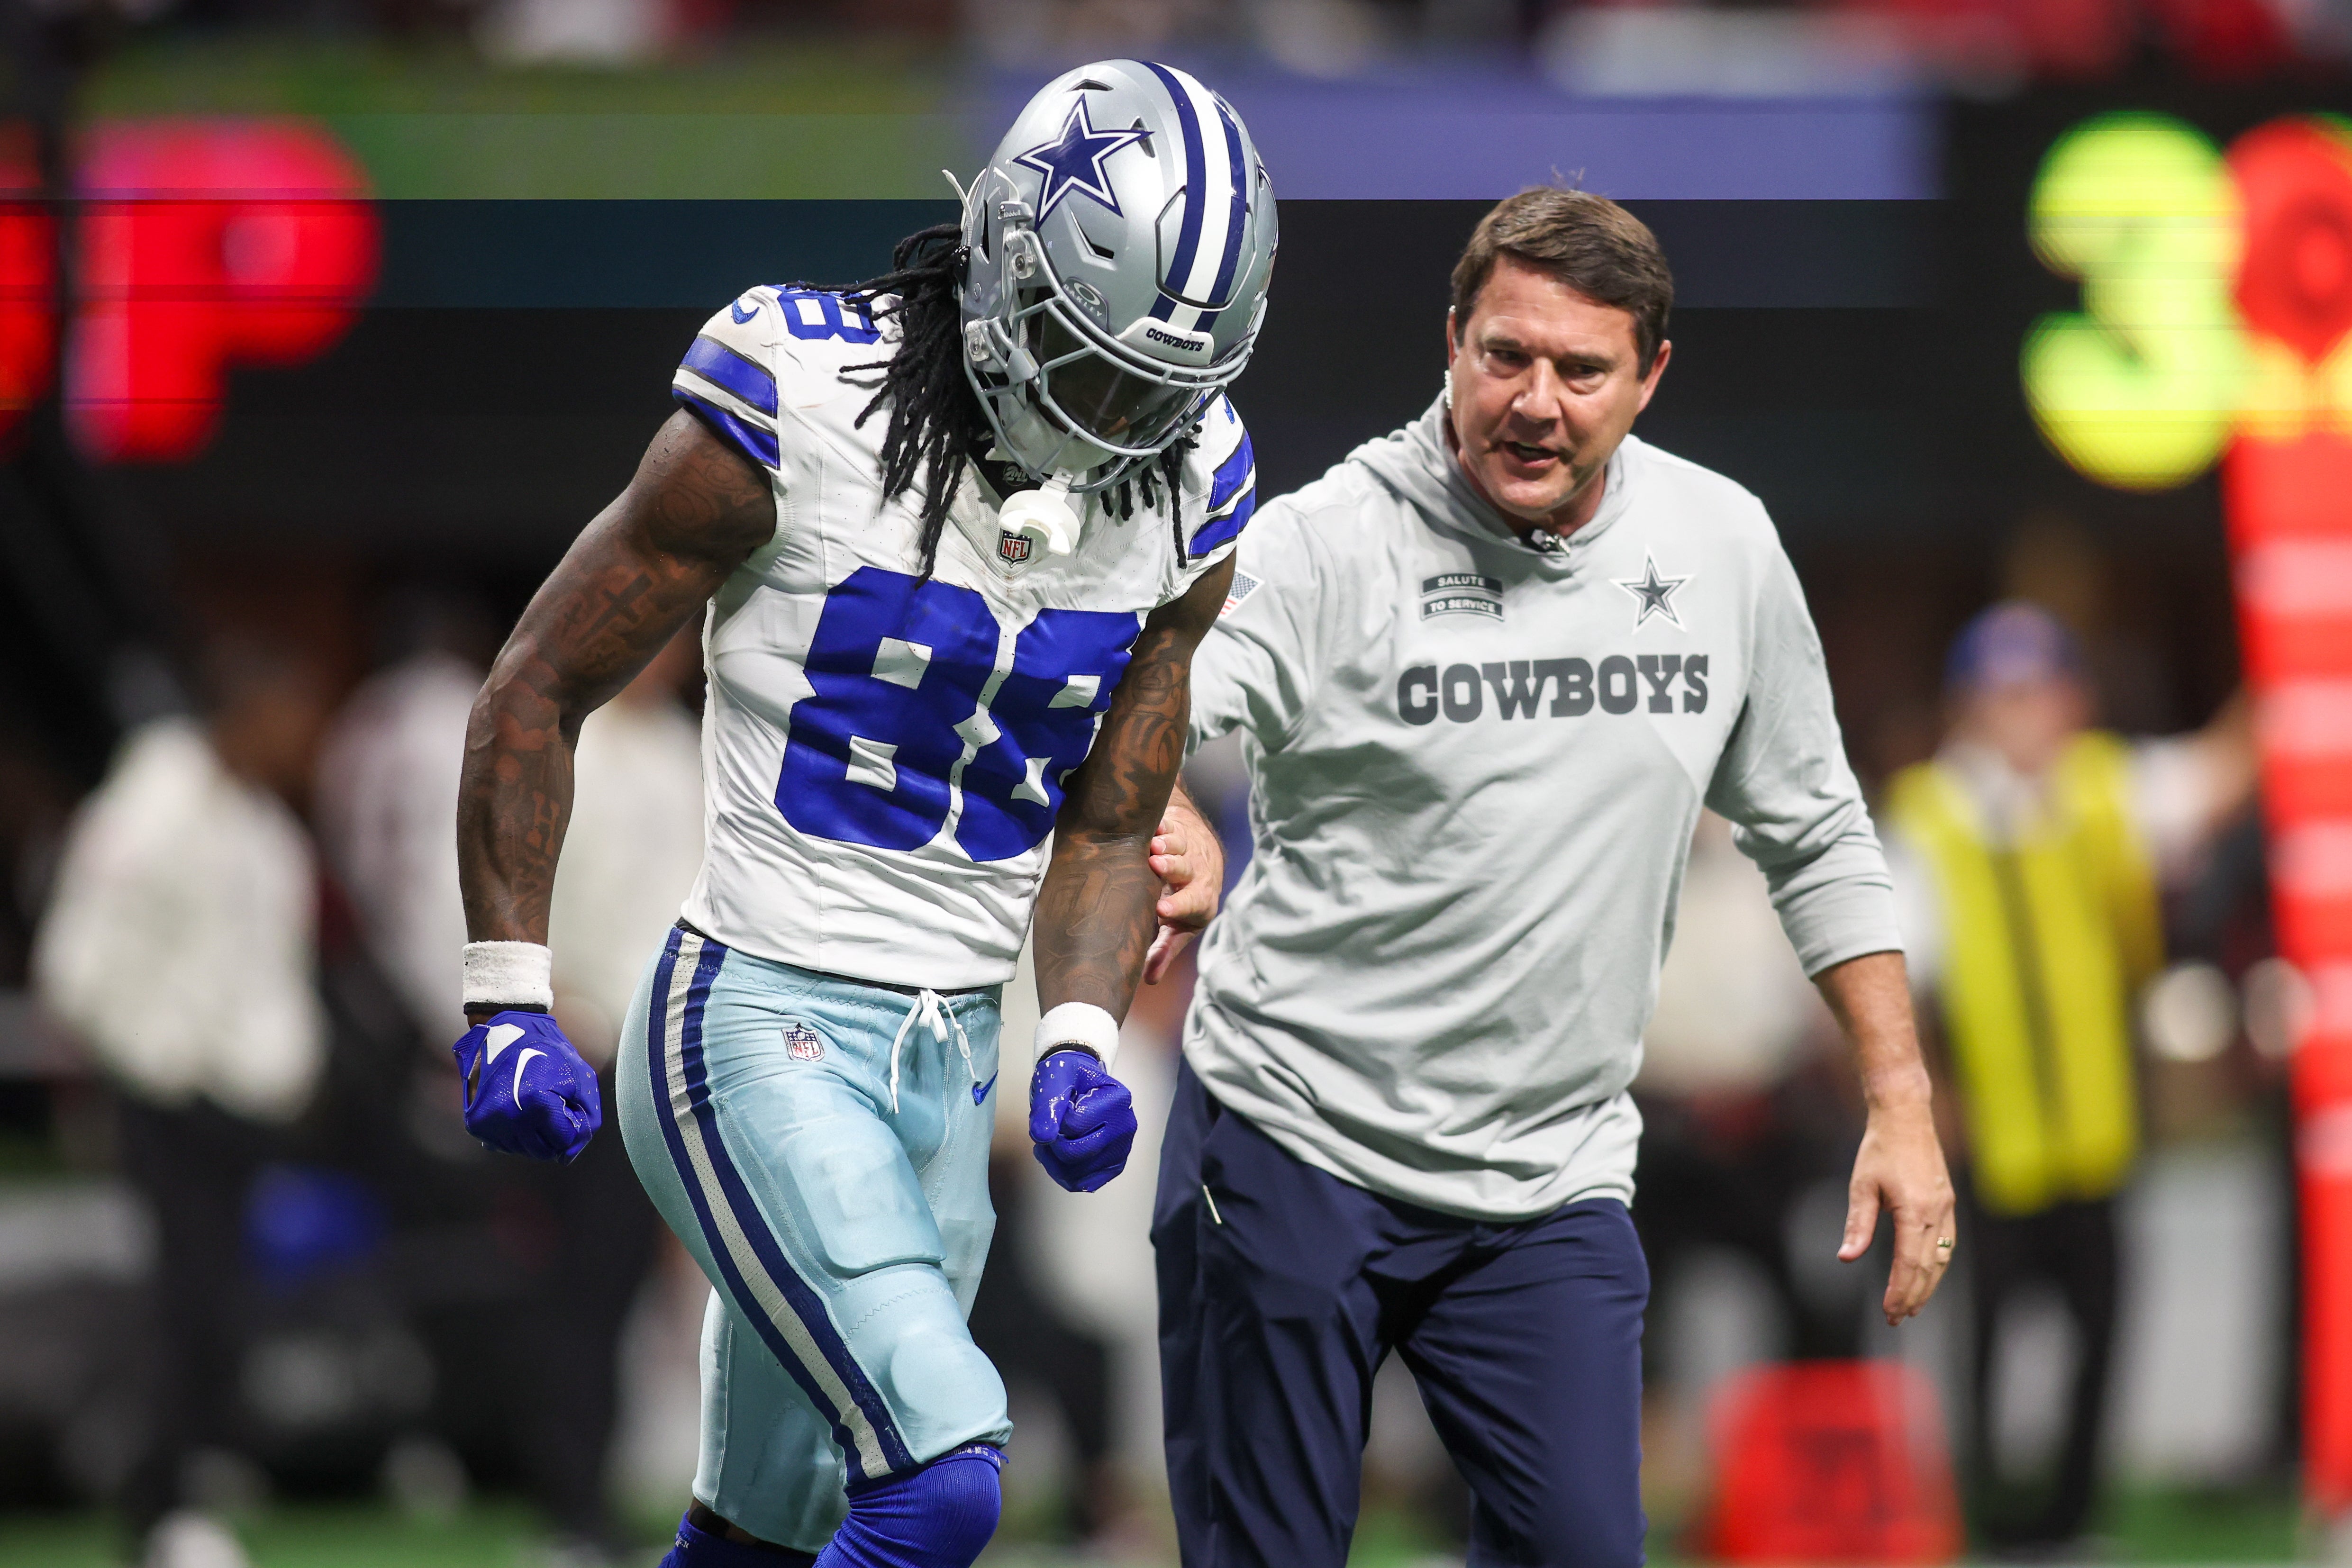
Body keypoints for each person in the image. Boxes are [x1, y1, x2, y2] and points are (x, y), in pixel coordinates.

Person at [446, 60, 1275, 1568]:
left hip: (952, 1061)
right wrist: (504, 987)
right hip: (753, 1012)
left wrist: (1079, 1034)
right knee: (945, 1474)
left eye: (1162, 391)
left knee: (770, 1526)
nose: (1121, 424)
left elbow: (1104, 821)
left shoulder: (1189, 487)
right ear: (1006, 269)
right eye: (1094, 372)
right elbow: (536, 684)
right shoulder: (800, 397)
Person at [1145, 187, 1957, 1568]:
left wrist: (1898, 1095)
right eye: (1504, 355)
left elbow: (1816, 829)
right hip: (1290, 1137)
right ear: (1450, 340)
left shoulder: (1719, 546)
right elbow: (1138, 714)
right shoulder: (1323, 539)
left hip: (1546, 1175)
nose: (1535, 400)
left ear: (1647, 376)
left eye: (1581, 369)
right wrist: (1168, 807)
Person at [1884, 601, 2245, 1553]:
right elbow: (1893, 978)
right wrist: (1913, 1105)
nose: (2026, 717)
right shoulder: (1930, 814)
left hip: (2094, 1128)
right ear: (1967, 708)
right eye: (2005, 697)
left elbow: (2214, 777)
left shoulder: (2099, 788)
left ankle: (2070, 1513)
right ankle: (1984, 1510)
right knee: (1982, 1343)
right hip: (1985, 1137)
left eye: (2041, 694)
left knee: (2101, 1330)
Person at [35, 635, 333, 1568]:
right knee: (186, 1300)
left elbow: (266, 975)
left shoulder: (261, 828)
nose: (303, 742)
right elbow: (77, 962)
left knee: (221, 1301)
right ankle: (157, 1505)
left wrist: (286, 1066)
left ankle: (190, 1486)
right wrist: (159, 1064)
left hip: (240, 1100)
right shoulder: (151, 808)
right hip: (172, 1096)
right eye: (291, 721)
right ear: (244, 712)